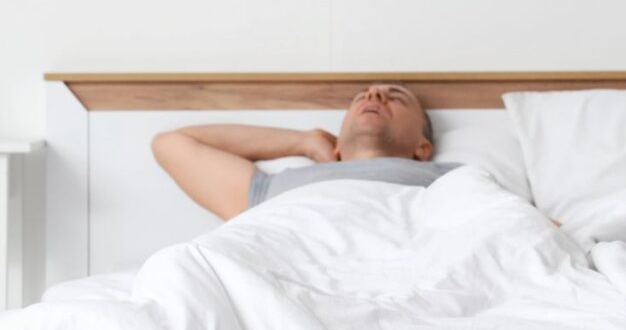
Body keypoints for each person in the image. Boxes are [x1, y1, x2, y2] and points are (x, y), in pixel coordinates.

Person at [152, 84, 459, 221]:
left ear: (422, 148)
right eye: (362, 97)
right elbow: (171, 143)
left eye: (396, 98)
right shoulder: (275, 188)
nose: (374, 94)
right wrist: (304, 141)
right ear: (337, 144)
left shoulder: (451, 178)